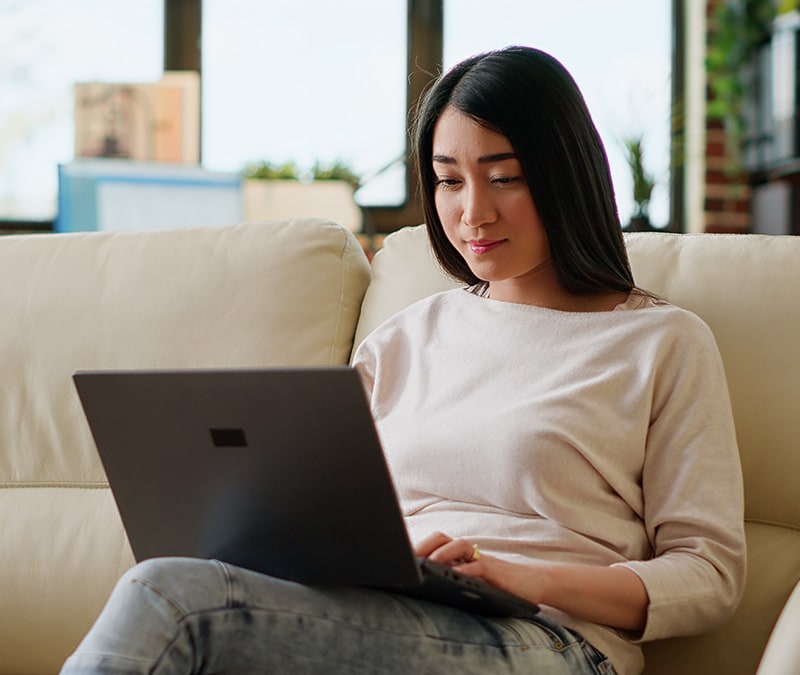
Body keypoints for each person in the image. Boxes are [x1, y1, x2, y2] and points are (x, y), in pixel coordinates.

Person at [60, 46, 745, 675]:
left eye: (504, 177)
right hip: (383, 612)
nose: (473, 212)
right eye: (449, 181)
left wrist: (518, 576)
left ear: (567, 175)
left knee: (169, 598)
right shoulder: (407, 337)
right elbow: (329, 511)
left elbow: (710, 573)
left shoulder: (660, 342)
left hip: (551, 638)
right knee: (182, 575)